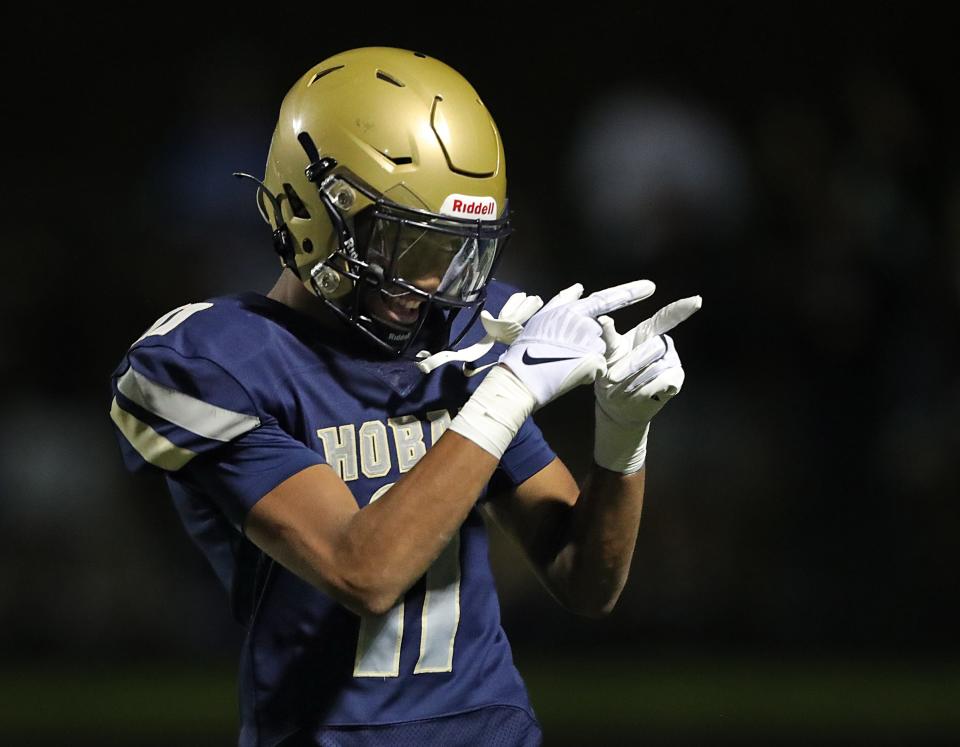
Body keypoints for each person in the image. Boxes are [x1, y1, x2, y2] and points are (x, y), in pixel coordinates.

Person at [108, 47, 700, 747]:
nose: (434, 279)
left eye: (453, 250)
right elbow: (363, 568)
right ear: (308, 209)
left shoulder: (463, 330)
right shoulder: (207, 363)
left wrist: (623, 434)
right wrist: (509, 388)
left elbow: (585, 580)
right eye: (402, 242)